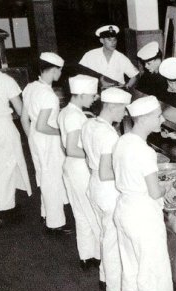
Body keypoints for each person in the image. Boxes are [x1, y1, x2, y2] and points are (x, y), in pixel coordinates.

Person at [112, 96, 176, 291]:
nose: (162, 120)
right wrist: (168, 188)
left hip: (124, 209)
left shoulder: (123, 141)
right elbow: (154, 191)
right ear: (146, 118)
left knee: (130, 263)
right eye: (159, 116)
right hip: (142, 214)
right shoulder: (144, 151)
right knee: (149, 266)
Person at [82, 87, 131, 291]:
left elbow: (94, 165)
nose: (125, 114)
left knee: (104, 234)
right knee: (112, 241)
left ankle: (104, 277)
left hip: (93, 185)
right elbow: (106, 172)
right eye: (123, 109)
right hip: (108, 191)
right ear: (111, 106)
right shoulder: (108, 133)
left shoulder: (89, 124)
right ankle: (114, 289)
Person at [0, 39, 32, 227]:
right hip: (3, 127)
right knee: (5, 168)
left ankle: (1, 204)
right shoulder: (5, 79)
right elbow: (20, 110)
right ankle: (4, 211)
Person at [21, 52, 72, 234]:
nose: (60, 74)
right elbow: (43, 125)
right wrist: (62, 132)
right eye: (59, 70)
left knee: (44, 176)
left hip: (35, 138)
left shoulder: (30, 87)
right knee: (52, 180)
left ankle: (46, 214)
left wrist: (31, 138)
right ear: (53, 70)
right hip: (48, 139)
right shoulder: (48, 96)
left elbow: (24, 118)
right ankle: (55, 223)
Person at [58, 74, 102, 273]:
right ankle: (100, 257)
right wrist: (94, 154)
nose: (95, 98)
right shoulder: (75, 116)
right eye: (92, 95)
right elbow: (71, 148)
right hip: (79, 168)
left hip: (71, 168)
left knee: (81, 213)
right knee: (92, 212)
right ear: (82, 94)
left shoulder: (67, 111)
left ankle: (87, 255)